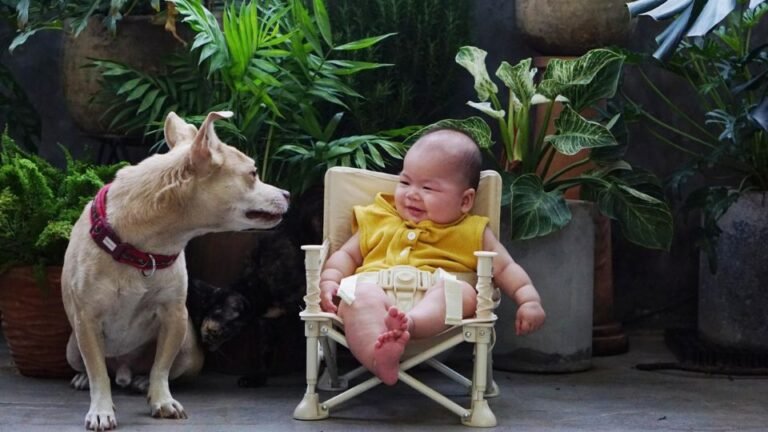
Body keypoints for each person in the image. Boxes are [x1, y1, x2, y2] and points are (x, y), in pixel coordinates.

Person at [319, 128, 545, 385]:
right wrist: (329, 280)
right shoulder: (377, 218)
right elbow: (346, 255)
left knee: (460, 293)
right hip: (377, 290)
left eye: (428, 188)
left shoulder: (472, 230)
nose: (412, 193)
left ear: (465, 201)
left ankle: (410, 325)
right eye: (404, 182)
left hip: (439, 302)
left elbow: (505, 269)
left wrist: (528, 299)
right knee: (357, 296)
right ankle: (379, 355)